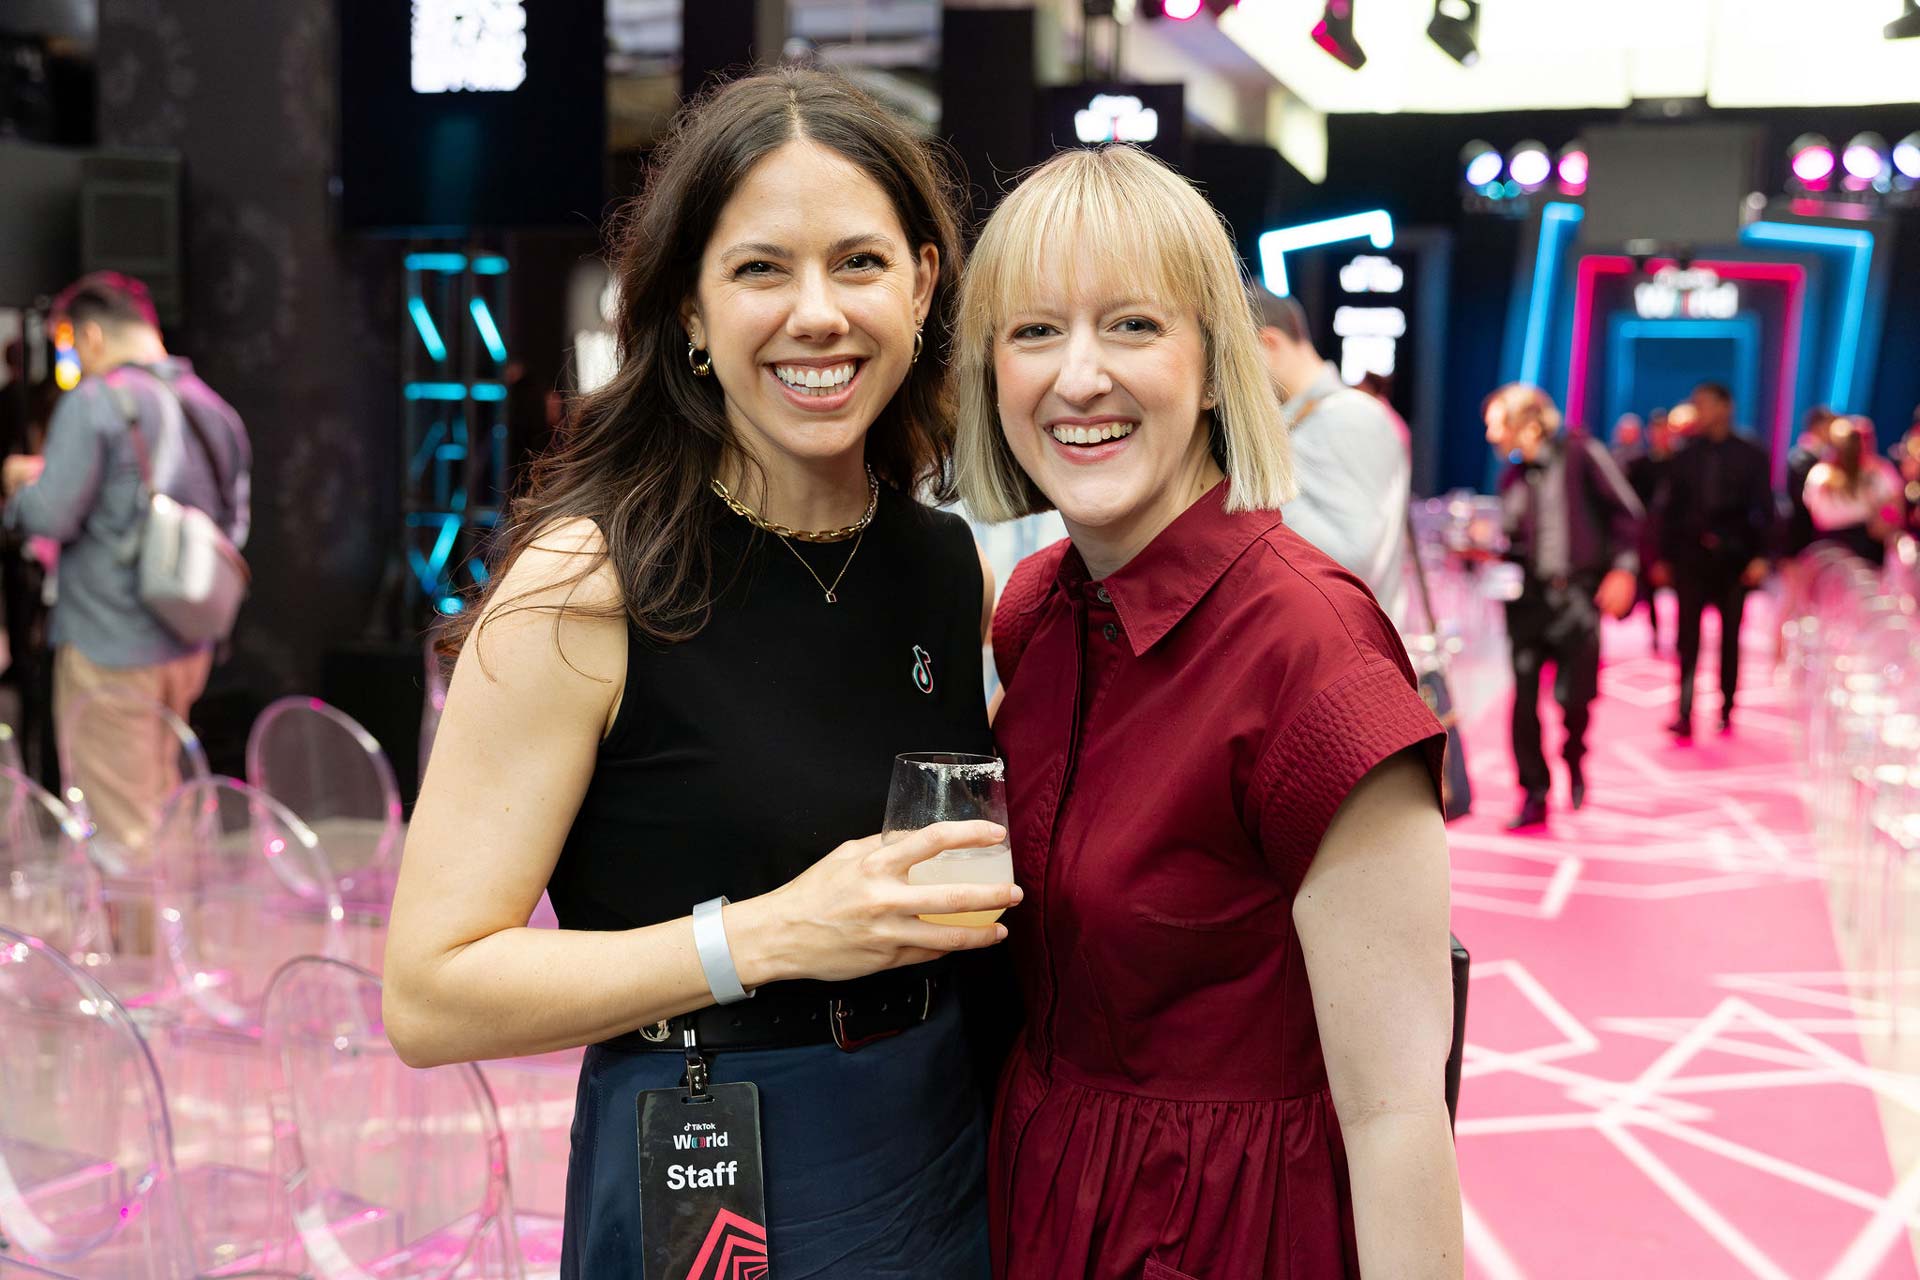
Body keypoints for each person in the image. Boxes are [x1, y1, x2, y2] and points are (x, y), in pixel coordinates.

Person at [381, 70, 1021, 1278]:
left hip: (943, 1140)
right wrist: (764, 935)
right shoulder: (590, 579)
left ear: (923, 283)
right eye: (761, 269)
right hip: (713, 1165)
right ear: (687, 308)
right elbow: (430, 991)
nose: (817, 314)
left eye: (859, 263)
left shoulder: (947, 566)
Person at [955, 145, 1461, 1279]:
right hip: (1039, 1202)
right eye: (1034, 331)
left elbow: (1396, 1114)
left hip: (1232, 1233)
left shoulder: (1310, 653)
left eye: (1132, 325)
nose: (1079, 376)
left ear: (1217, 364)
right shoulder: (1037, 614)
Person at [1, 272, 250, 861]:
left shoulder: (95, 401)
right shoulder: (214, 409)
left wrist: (17, 486)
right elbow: (233, 528)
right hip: (187, 643)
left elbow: (52, 514)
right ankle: (176, 913)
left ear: (88, 336)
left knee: (120, 829)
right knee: (163, 802)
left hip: (109, 641)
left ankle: (143, 925)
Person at [1483, 383, 1642, 829]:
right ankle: (1534, 792)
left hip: (1576, 599)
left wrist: (1623, 570)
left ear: (1527, 424)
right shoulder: (1512, 476)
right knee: (1523, 702)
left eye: (1497, 424)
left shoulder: (1581, 455)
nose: (1491, 435)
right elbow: (1510, 543)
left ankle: (1574, 756)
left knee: (1575, 699)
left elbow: (1627, 514)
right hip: (1526, 602)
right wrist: (1483, 549)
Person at [1256, 291, 1411, 622]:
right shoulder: (1323, 417)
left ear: (1268, 344)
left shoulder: (1347, 417)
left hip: (1345, 641)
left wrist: (1255, 484)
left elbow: (1354, 561)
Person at [1653, 382, 1774, 739]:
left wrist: (1762, 556)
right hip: (1691, 558)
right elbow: (1668, 512)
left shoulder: (1751, 454)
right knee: (1687, 638)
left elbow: (1766, 510)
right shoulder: (1685, 454)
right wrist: (1663, 557)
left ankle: (1727, 708)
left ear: (1725, 407)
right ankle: (1684, 711)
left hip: (1735, 561)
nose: (1699, 411)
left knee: (1730, 638)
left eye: (1704, 404)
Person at [1805, 415, 1901, 568]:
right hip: (1828, 545)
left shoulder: (1879, 472)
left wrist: (1884, 519)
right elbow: (1816, 513)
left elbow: (1893, 510)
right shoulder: (1821, 474)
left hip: (1864, 546)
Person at [1622, 412, 1673, 653]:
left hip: (1674, 534)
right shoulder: (1639, 464)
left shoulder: (1681, 463)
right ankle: (1655, 631)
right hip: (1648, 534)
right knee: (1650, 583)